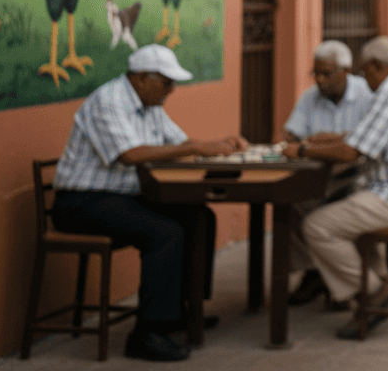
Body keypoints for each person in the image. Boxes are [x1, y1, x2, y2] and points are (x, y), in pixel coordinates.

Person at [51, 45, 248, 362]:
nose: (172, 90)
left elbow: (178, 143)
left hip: (123, 197)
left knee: (199, 217)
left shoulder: (150, 104)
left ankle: (184, 310)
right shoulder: (109, 101)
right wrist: (196, 147)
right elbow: (130, 155)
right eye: (167, 82)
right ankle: (147, 333)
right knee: (164, 232)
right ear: (142, 78)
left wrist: (220, 144)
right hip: (81, 202)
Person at [283, 35, 388, 339]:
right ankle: (379, 287)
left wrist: (303, 151)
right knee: (345, 210)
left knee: (318, 225)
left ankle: (374, 292)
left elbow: (352, 152)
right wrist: (331, 139)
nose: (364, 78)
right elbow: (366, 137)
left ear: (377, 66)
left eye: (366, 71)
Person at [283, 40, 373, 307]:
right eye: (317, 73)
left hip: (357, 176)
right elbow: (291, 135)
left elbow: (359, 148)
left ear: (345, 71)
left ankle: (341, 282)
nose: (320, 80)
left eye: (327, 73)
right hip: (318, 177)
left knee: (338, 211)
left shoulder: (367, 94)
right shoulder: (311, 97)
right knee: (289, 206)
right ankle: (315, 272)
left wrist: (327, 142)